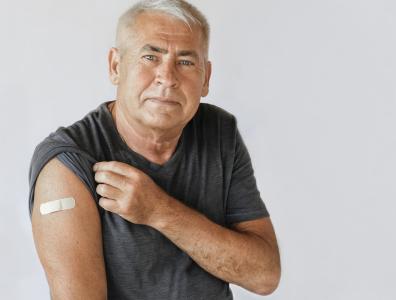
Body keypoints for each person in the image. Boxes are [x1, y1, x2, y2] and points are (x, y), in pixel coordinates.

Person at [28, 0, 281, 299]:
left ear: (206, 78)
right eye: (150, 57)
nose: (168, 78)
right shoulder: (67, 164)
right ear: (116, 66)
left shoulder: (219, 132)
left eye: (186, 62)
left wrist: (159, 211)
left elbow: (264, 276)